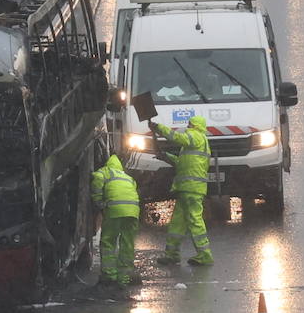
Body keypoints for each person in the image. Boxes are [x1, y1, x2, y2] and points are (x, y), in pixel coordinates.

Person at [151, 115, 214, 266]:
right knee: (177, 223)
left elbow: (176, 136)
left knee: (194, 220)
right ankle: (172, 254)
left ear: (194, 125)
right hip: (189, 189)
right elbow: (181, 163)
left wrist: (158, 128)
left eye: (189, 124)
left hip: (191, 188)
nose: (187, 126)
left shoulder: (195, 135)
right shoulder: (198, 142)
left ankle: (205, 255)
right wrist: (165, 156)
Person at [90, 154, 141, 286]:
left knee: (108, 242)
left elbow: (96, 183)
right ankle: (125, 277)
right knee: (127, 243)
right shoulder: (127, 177)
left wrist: (99, 203)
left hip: (114, 210)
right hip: (133, 211)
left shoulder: (104, 172)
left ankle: (109, 275)